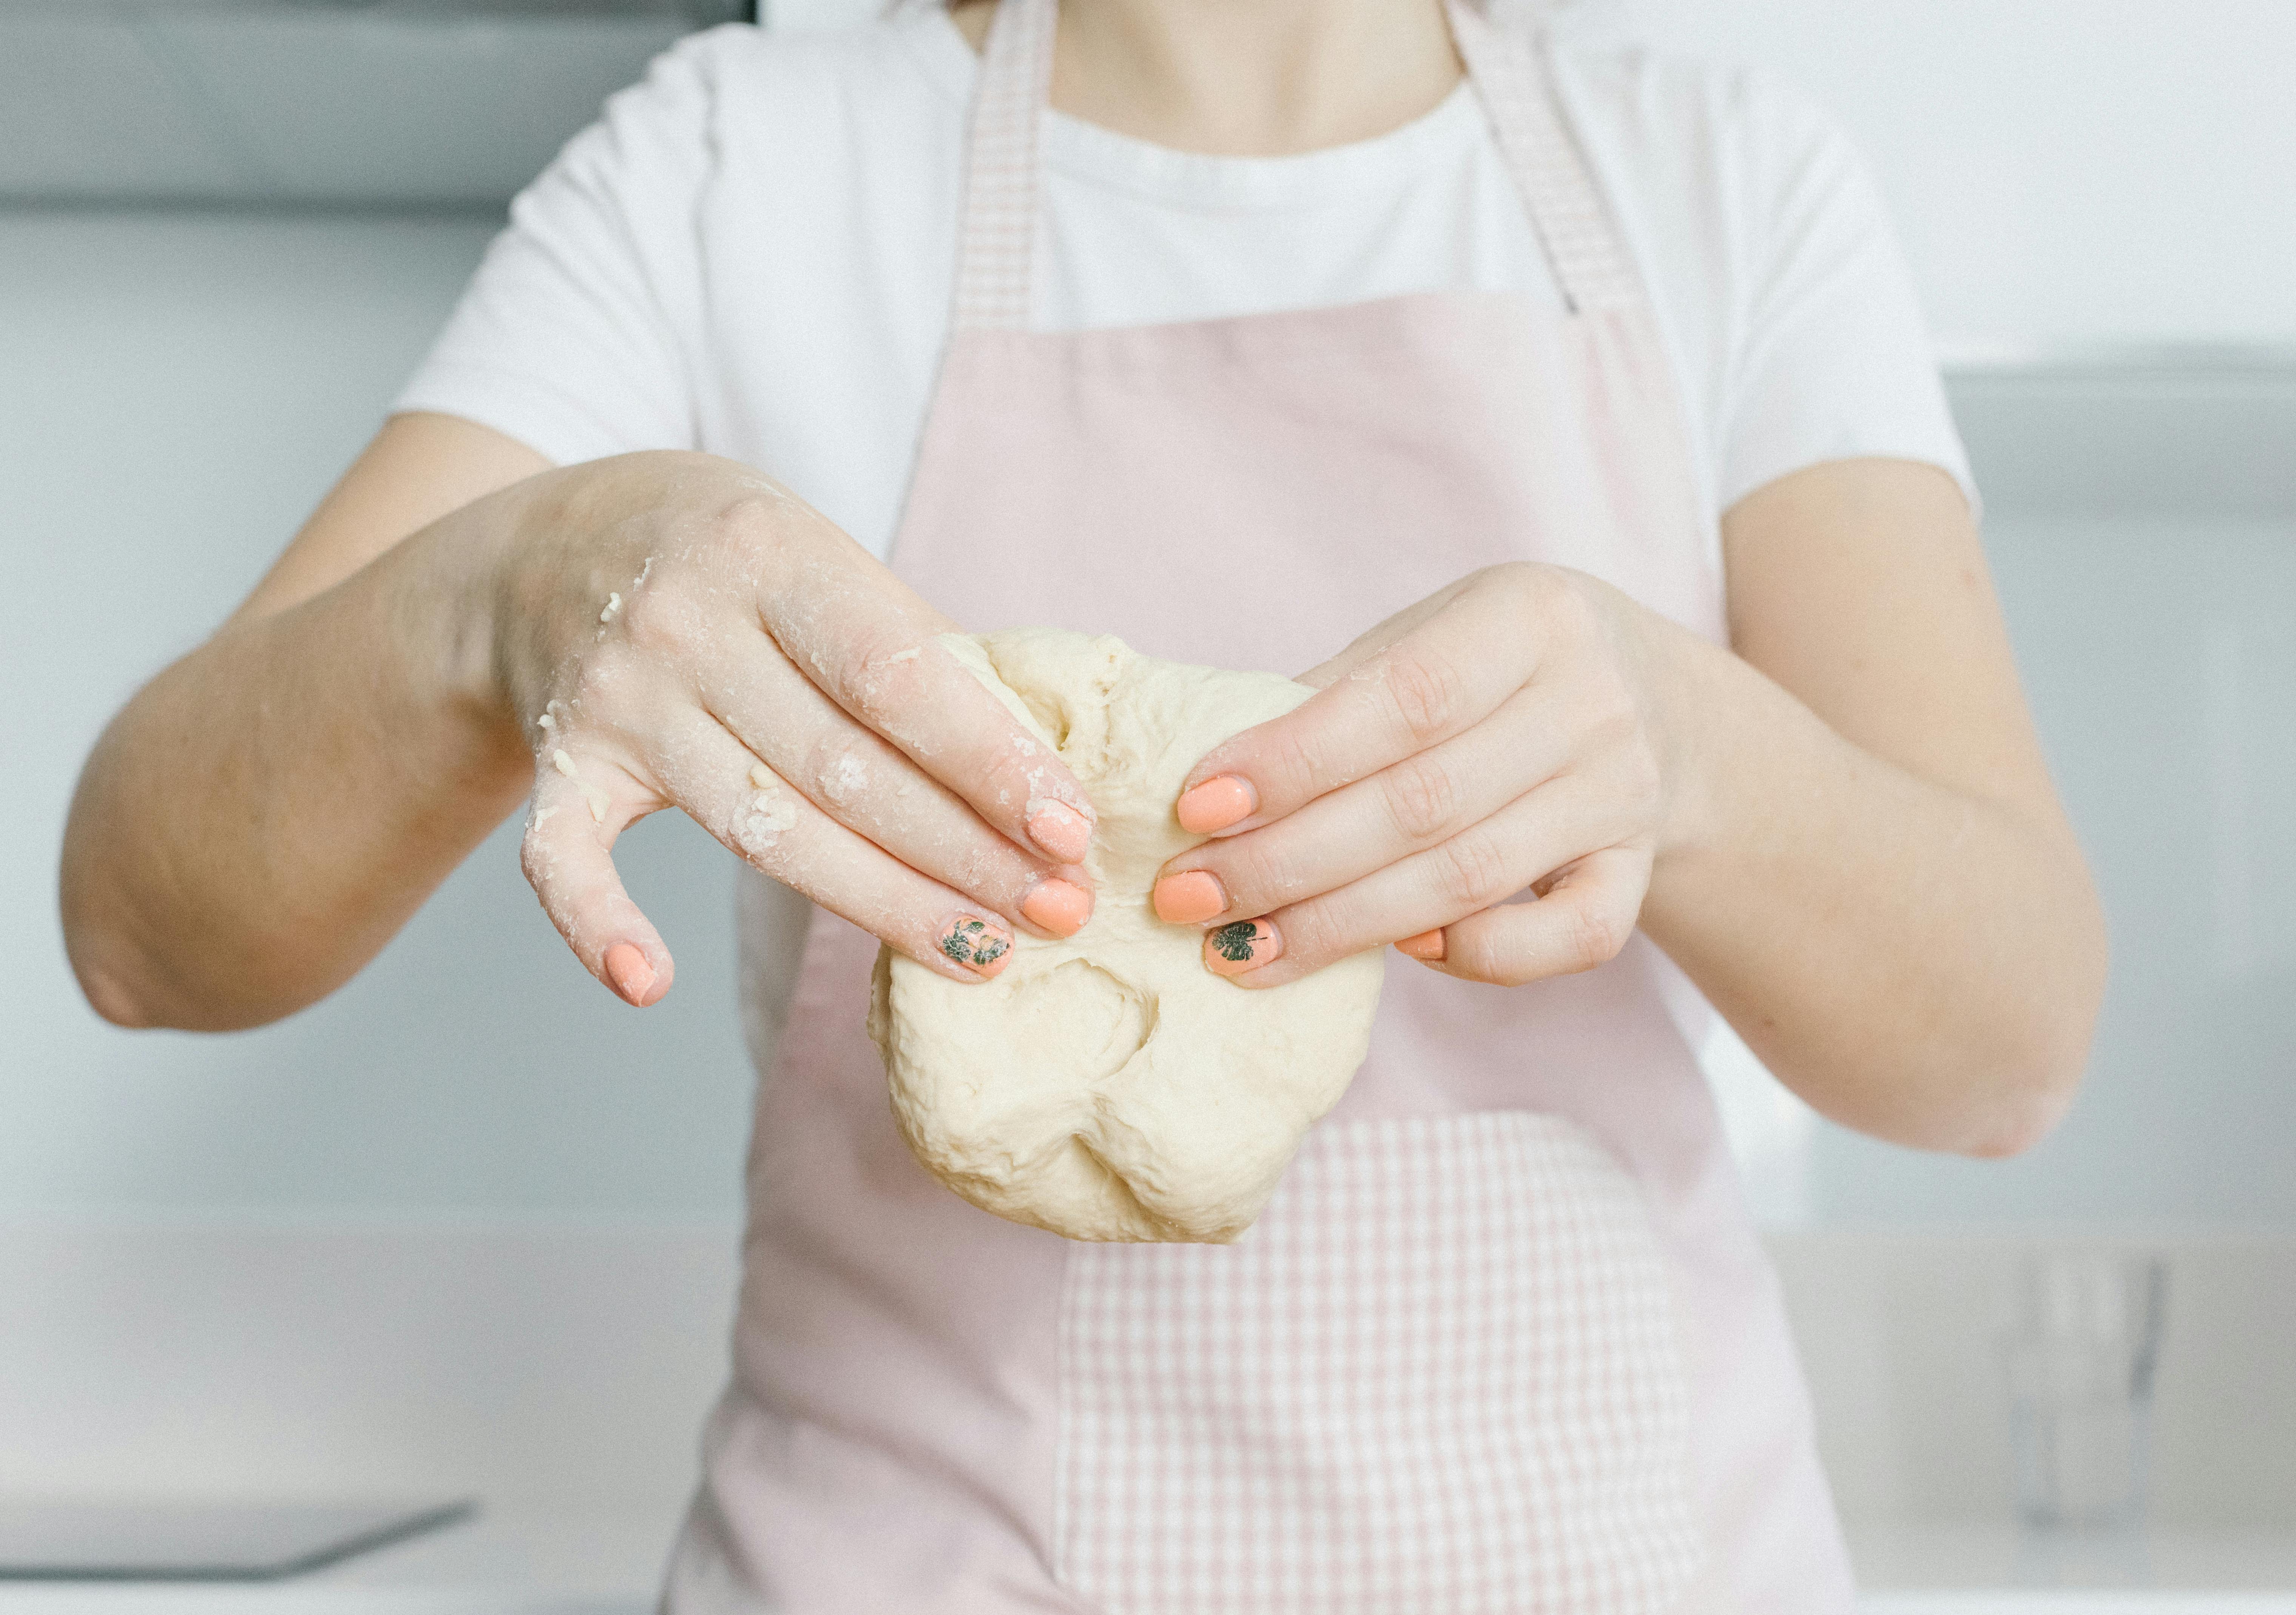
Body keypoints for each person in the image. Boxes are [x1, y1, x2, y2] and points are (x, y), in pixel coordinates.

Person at [61, 0, 2107, 1606]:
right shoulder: (735, 169)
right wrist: (519, 589)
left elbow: (2005, 1048)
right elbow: (139, 926)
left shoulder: (1726, 181)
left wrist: (1696, 746)